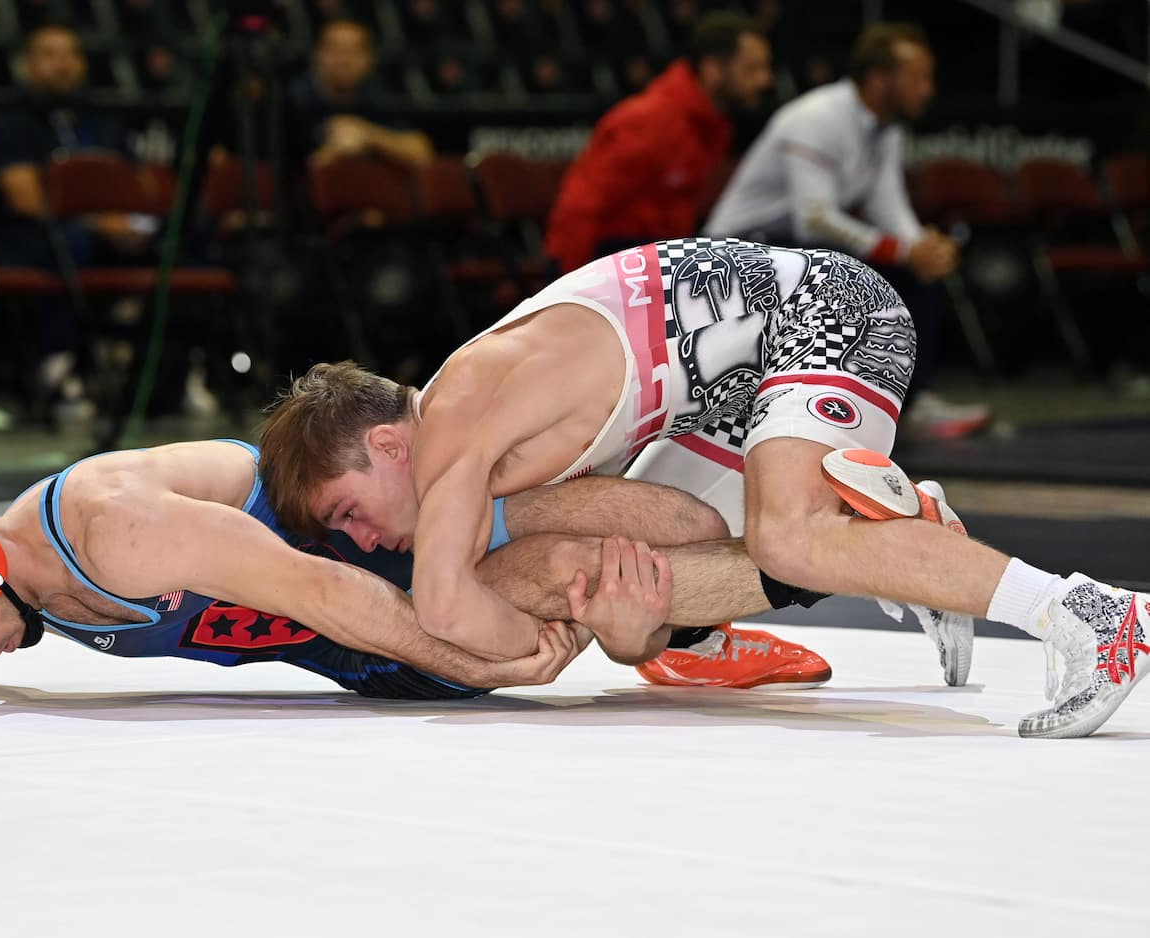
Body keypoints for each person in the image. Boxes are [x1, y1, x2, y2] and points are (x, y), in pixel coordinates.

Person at [260, 236, 1150, 738]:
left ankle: (1087, 614)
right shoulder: (477, 436)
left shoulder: (458, 413)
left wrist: (540, 647)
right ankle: (900, 534)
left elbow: (447, 612)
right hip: (728, 390)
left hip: (825, 310)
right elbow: (653, 565)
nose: (363, 541)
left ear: (387, 444)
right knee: (653, 625)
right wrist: (603, 625)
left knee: (788, 539)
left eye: (347, 512)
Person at [0, 439, 674, 705]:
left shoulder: (114, 526)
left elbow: (331, 591)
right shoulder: (3, 592)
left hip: (367, 561)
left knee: (560, 562)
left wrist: (488, 665)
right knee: (563, 608)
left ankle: (728, 598)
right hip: (360, 655)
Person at [703, 22, 989, 440]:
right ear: (879, 78)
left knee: (915, 275)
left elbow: (887, 204)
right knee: (866, 271)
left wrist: (922, 248)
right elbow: (814, 218)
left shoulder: (885, 128)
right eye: (918, 78)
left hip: (791, 247)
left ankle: (909, 402)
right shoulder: (816, 118)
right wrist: (902, 250)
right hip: (738, 251)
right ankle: (821, 403)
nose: (928, 89)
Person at [0, 22, 151, 421]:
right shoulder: (9, 118)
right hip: (29, 239)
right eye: (49, 54)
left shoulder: (102, 117)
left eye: (69, 55)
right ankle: (57, 364)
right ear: (27, 64)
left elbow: (133, 186)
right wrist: (99, 221)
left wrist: (129, 222)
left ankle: (163, 375)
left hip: (102, 238)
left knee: (177, 245)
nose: (61, 65)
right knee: (72, 243)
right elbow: (25, 197)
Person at [546, 12, 773, 273]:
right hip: (613, 264)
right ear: (712, 68)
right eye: (752, 68)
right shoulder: (652, 121)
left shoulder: (712, 123)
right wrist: (567, 290)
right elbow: (581, 208)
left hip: (657, 257)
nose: (764, 80)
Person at [286, 18, 433, 169]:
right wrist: (335, 151)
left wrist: (368, 135)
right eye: (335, 50)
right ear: (317, 54)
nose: (344, 61)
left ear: (370, 60)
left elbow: (421, 151)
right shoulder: (292, 100)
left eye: (354, 51)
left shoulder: (373, 97)